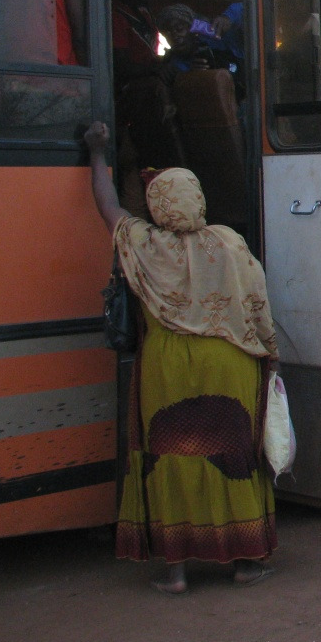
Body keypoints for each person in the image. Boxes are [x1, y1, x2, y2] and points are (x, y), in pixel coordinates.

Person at [83, 121, 277, 594]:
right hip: (229, 361)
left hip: (166, 366)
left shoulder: (143, 244)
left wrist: (96, 152)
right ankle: (245, 563)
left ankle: (176, 571)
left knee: (169, 456)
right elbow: (258, 307)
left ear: (157, 206)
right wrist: (270, 356)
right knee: (233, 455)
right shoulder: (230, 243)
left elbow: (107, 204)